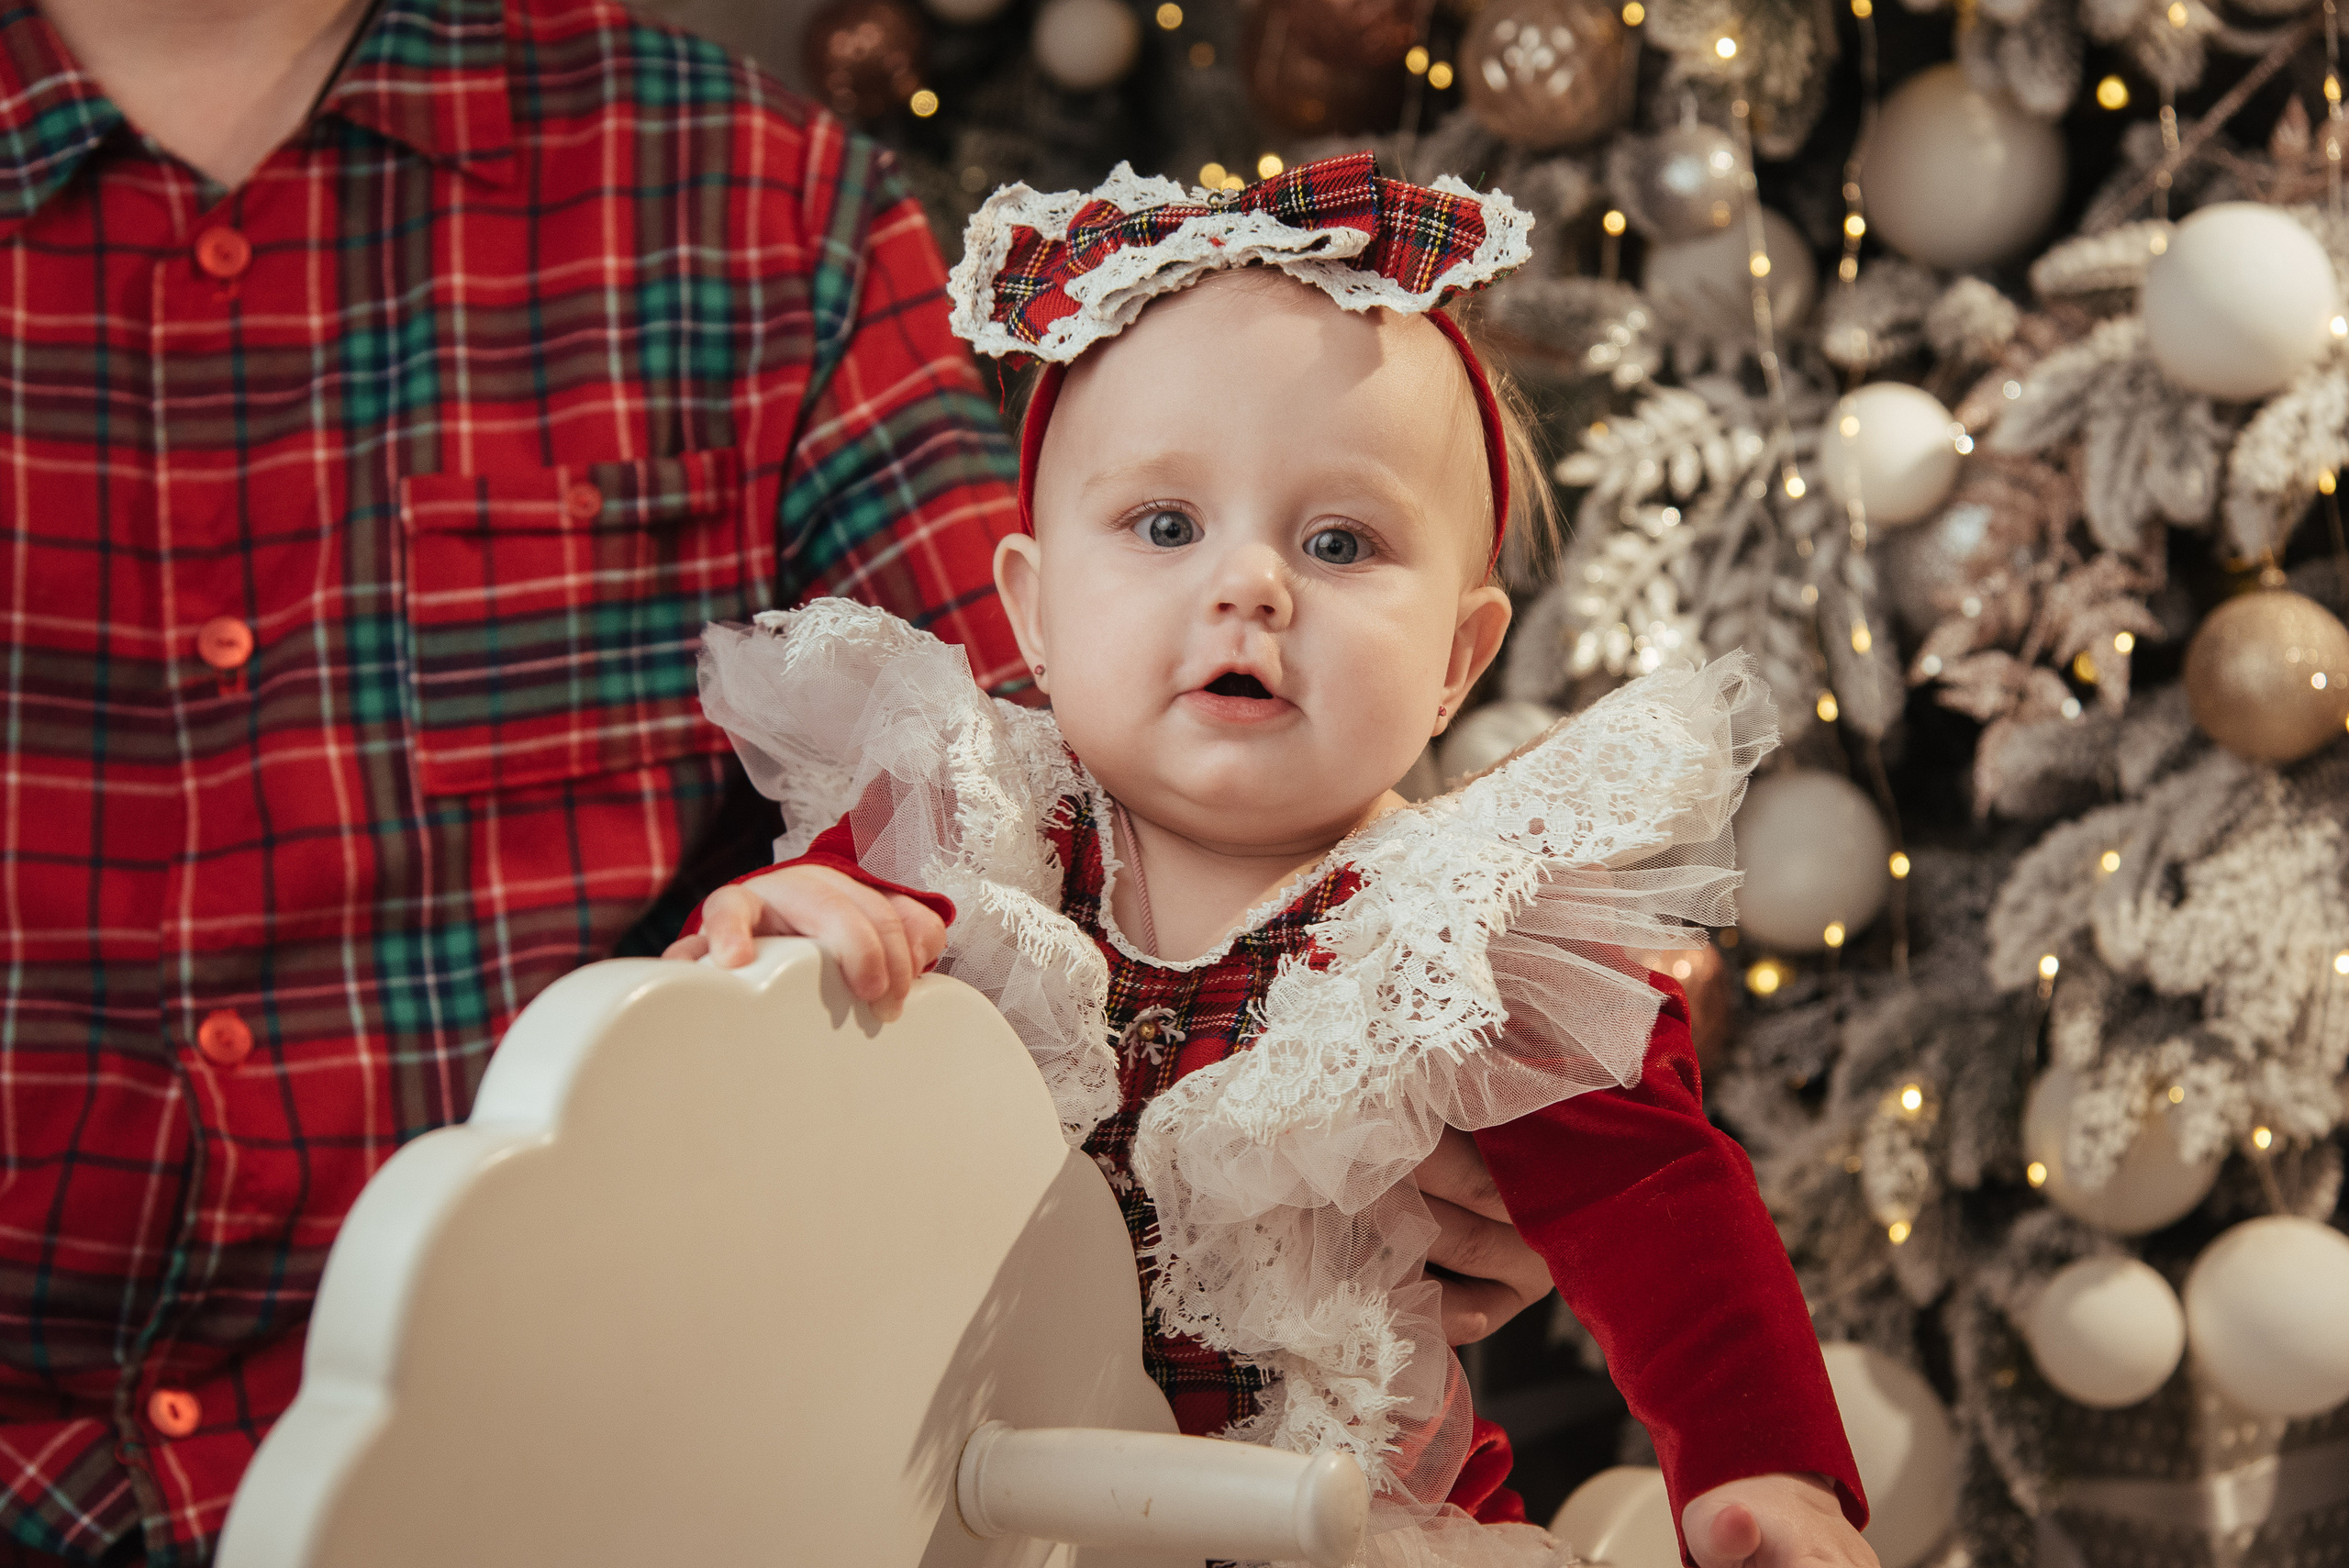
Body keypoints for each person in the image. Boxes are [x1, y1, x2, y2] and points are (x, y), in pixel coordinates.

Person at [675, 155, 1876, 1568]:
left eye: (1339, 540)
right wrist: (799, 916)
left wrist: (1766, 1465)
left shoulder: (1454, 927)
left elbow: (1656, 1199)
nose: (1251, 585)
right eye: (1166, 525)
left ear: (1457, 659)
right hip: (964, 1508)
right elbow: (806, 1002)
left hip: (1316, 1525)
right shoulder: (974, 816)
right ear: (1035, 611)